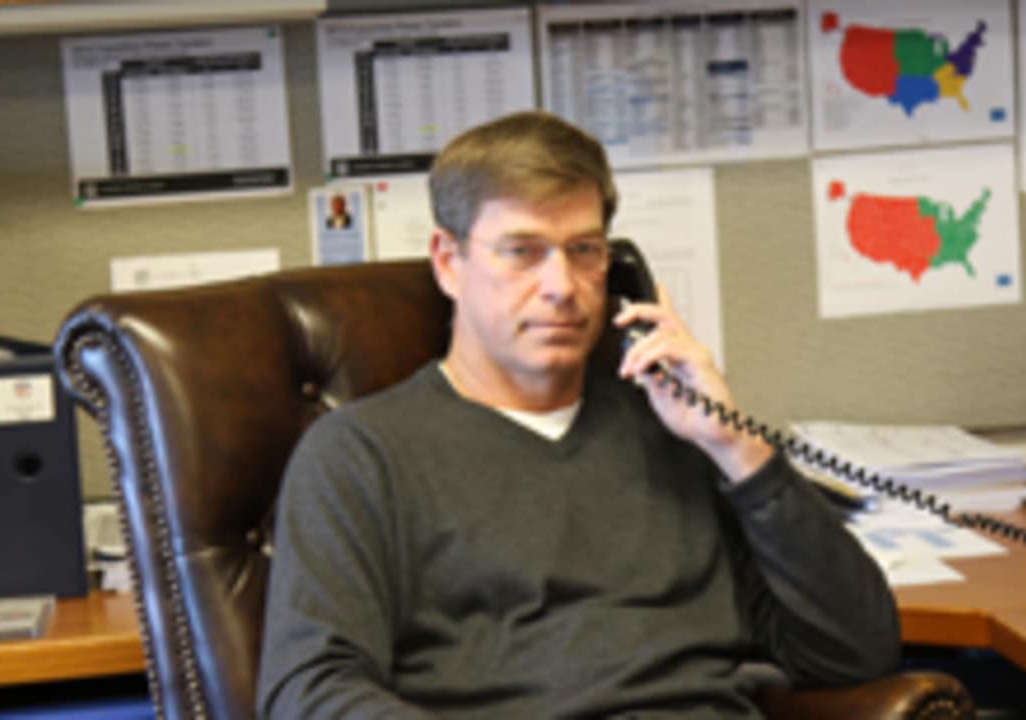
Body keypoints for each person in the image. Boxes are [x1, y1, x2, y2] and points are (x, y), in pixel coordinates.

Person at [257, 111, 899, 718]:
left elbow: (855, 650)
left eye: (584, 249)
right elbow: (311, 692)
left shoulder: (680, 437)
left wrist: (737, 446)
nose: (562, 286)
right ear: (450, 264)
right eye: (523, 251)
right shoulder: (361, 456)